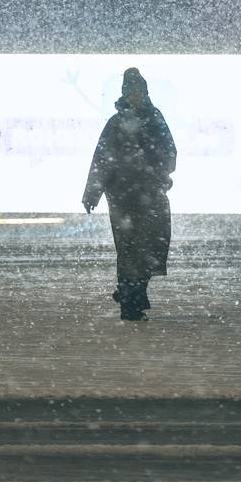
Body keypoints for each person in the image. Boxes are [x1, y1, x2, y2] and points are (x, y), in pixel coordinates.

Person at [82, 67, 177, 321]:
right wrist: (92, 193)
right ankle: (130, 300)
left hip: (145, 196)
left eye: (139, 91)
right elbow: (102, 160)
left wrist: (156, 174)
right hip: (126, 198)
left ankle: (130, 294)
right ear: (125, 93)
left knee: (147, 249)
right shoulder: (122, 123)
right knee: (130, 250)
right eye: (132, 91)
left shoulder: (151, 120)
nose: (136, 95)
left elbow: (170, 154)